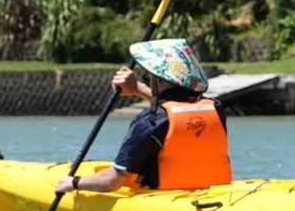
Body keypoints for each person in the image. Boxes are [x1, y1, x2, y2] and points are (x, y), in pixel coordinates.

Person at [55, 38, 231, 194]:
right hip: (212, 193)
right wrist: (137, 88)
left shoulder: (148, 122)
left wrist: (74, 182)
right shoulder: (216, 109)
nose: (149, 81)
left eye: (149, 78)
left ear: (158, 80)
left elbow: (112, 181)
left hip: (162, 198)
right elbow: (176, 108)